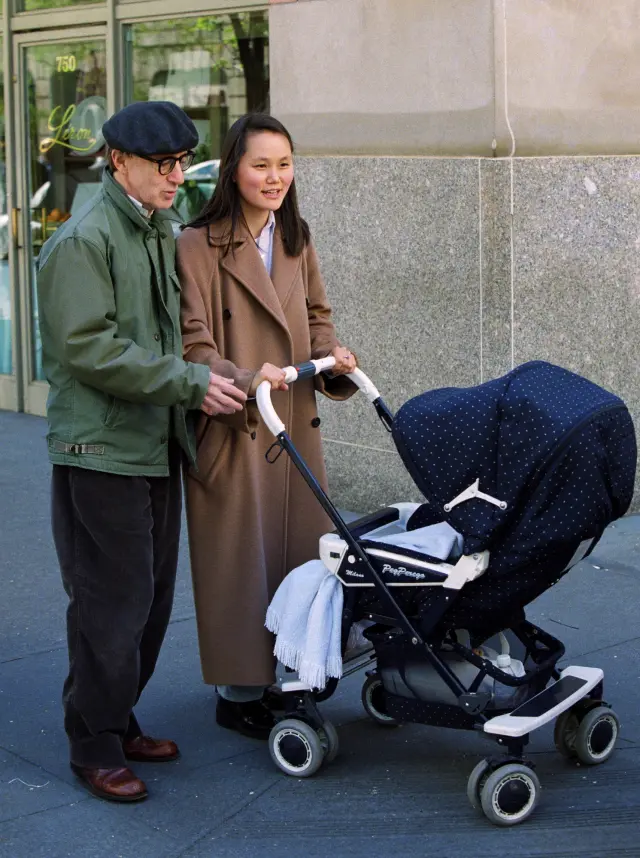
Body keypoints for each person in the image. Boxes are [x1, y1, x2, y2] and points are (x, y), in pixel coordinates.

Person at [36, 101, 248, 802]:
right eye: (165, 165)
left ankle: (117, 719)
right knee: (110, 605)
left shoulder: (153, 229)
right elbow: (87, 349)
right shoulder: (85, 239)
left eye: (182, 162)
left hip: (152, 444)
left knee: (150, 604)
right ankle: (92, 744)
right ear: (118, 160)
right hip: (98, 449)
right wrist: (193, 383)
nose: (176, 175)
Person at [177, 113, 357, 740]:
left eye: (284, 164)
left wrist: (335, 358)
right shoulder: (196, 244)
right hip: (238, 424)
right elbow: (193, 343)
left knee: (298, 555)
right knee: (240, 560)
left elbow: (317, 314)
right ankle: (238, 689)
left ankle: (290, 674)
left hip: (293, 422)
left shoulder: (295, 237)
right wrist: (250, 375)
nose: (275, 177)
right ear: (232, 168)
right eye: (261, 165)